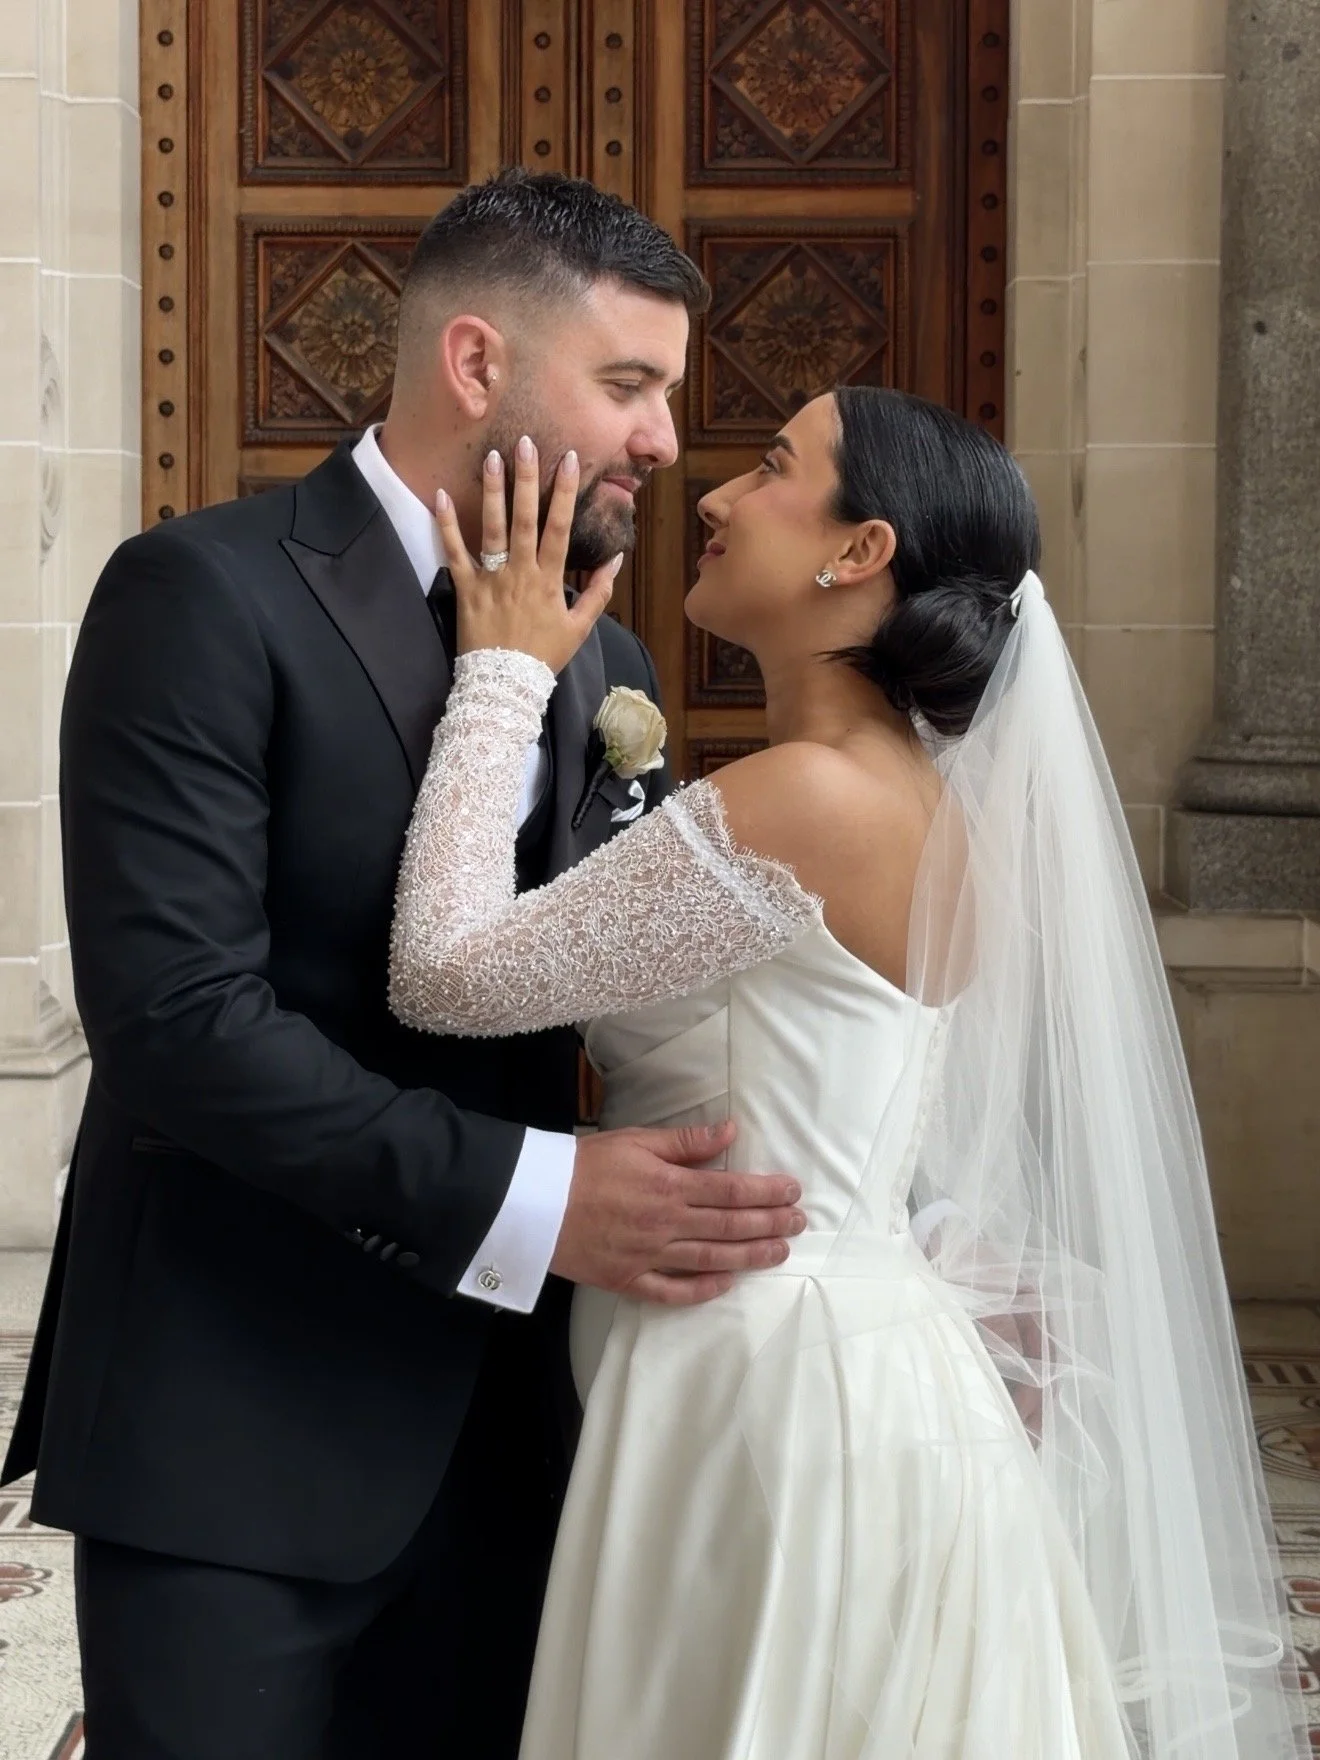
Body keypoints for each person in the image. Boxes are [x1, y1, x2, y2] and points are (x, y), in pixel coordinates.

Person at [0, 170, 809, 1759]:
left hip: (523, 1438)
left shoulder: (615, 660)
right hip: (235, 1414)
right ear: (474, 367)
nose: (665, 442)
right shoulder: (202, 595)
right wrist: (542, 1197)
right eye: (631, 387)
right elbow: (178, 1024)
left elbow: (659, 1002)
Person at [388, 387, 1306, 1758]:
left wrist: (504, 671)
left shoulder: (806, 798)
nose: (712, 492)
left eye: (770, 468)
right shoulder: (919, 804)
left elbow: (443, 974)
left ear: (857, 551)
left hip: (761, 1397)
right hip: (836, 1363)